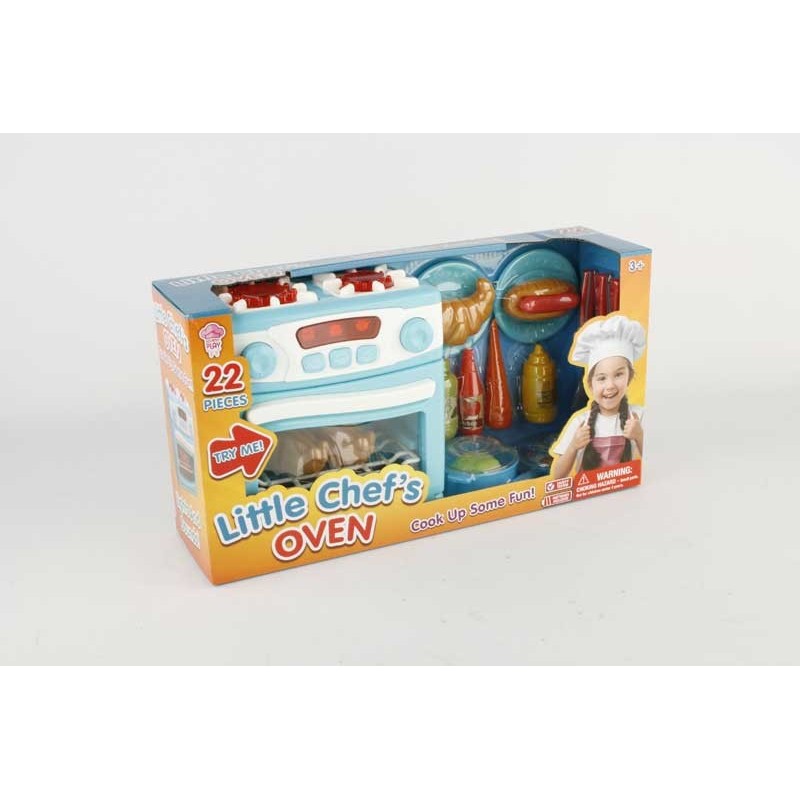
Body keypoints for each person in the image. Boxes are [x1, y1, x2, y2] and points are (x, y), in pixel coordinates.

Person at [550, 315, 646, 479]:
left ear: (629, 377)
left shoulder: (640, 416)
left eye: (618, 375)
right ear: (590, 384)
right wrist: (573, 446)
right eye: (601, 378)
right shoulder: (580, 423)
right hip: (586, 491)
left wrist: (639, 436)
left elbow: (656, 464)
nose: (610, 385)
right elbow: (557, 476)